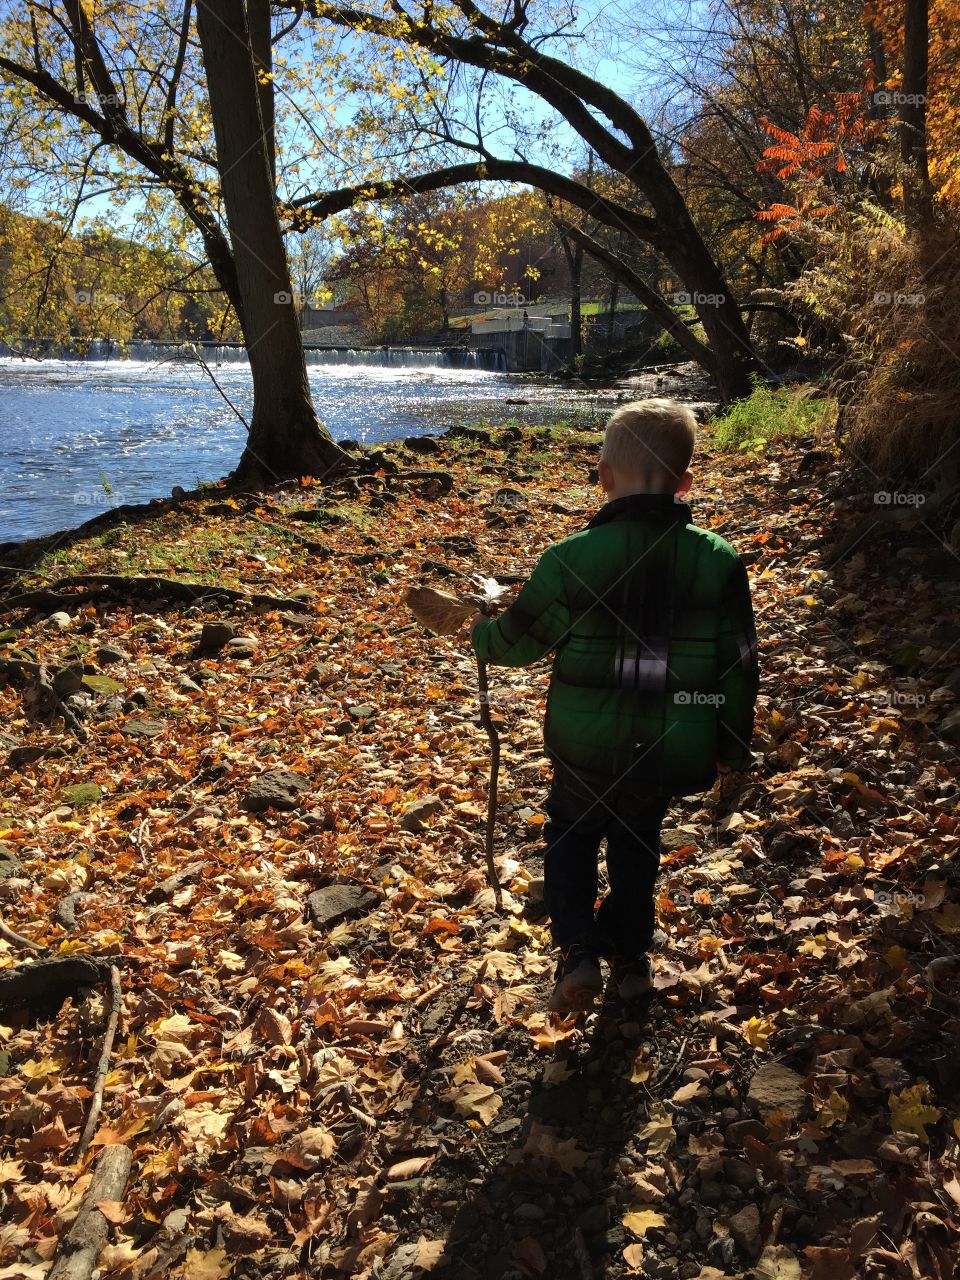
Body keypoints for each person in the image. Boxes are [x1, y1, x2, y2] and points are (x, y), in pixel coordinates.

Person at [469, 398, 759, 1013]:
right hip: (664, 747)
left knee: (570, 836)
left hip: (583, 750)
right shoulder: (719, 563)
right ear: (683, 483)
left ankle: (576, 952)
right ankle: (630, 959)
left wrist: (480, 631)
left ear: (603, 478)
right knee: (637, 843)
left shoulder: (570, 560)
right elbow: (738, 668)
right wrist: (732, 744)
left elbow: (517, 642)